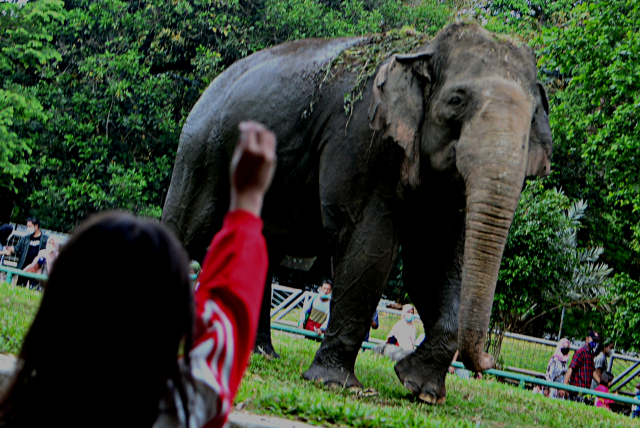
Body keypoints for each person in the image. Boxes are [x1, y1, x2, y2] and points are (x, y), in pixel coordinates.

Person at [0, 121, 277, 428]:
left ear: (57, 303)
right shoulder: (180, 410)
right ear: (175, 321)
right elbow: (227, 313)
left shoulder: (23, 405)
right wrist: (246, 203)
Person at [7, 218, 48, 287]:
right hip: (24, 268)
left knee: (34, 289)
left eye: (30, 226)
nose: (28, 228)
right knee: (20, 287)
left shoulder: (45, 239)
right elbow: (17, 248)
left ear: (36, 226)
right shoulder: (25, 238)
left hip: (37, 269)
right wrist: (10, 249)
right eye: (27, 226)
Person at [564, 330, 601, 400]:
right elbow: (571, 368)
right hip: (576, 391)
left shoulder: (591, 354)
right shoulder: (581, 352)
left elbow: (592, 371)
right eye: (593, 340)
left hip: (585, 391)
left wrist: (601, 383)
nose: (595, 343)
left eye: (596, 341)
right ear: (587, 339)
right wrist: (564, 387)